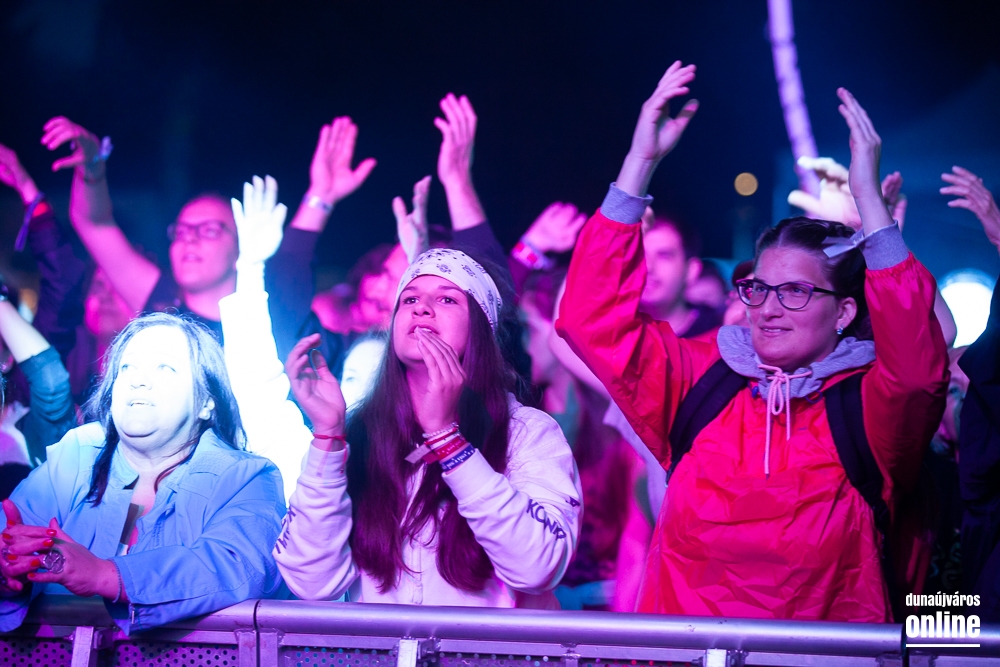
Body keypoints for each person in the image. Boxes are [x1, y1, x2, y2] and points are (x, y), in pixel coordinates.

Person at [557, 61, 948, 621]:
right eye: (759, 288)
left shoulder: (866, 405)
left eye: (795, 292)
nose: (767, 307)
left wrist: (871, 205)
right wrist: (638, 165)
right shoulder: (701, 379)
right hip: (686, 658)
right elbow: (589, 320)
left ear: (844, 312)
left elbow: (917, 369)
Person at [274, 248, 582, 607]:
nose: (421, 308)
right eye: (409, 299)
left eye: (447, 299)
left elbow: (539, 567)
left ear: (481, 328)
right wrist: (328, 435)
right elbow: (312, 582)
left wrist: (449, 442)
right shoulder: (362, 433)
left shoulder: (526, 431)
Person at [0, 312, 285, 633]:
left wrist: (104, 575)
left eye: (165, 368)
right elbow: (13, 538)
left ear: (207, 402)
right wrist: (9, 571)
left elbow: (236, 565)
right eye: (127, 368)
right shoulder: (79, 453)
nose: (138, 380)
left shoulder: (245, 477)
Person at [39, 115, 374, 355]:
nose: (190, 239)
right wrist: (92, 168)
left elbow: (292, 257)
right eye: (182, 230)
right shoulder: (161, 302)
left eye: (209, 230)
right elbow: (94, 224)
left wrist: (321, 196)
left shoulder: (269, 313)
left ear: (242, 245)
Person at [941, 165, 1000, 621]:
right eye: (951, 386)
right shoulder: (924, 479)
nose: (964, 394)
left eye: (974, 385)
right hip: (936, 624)